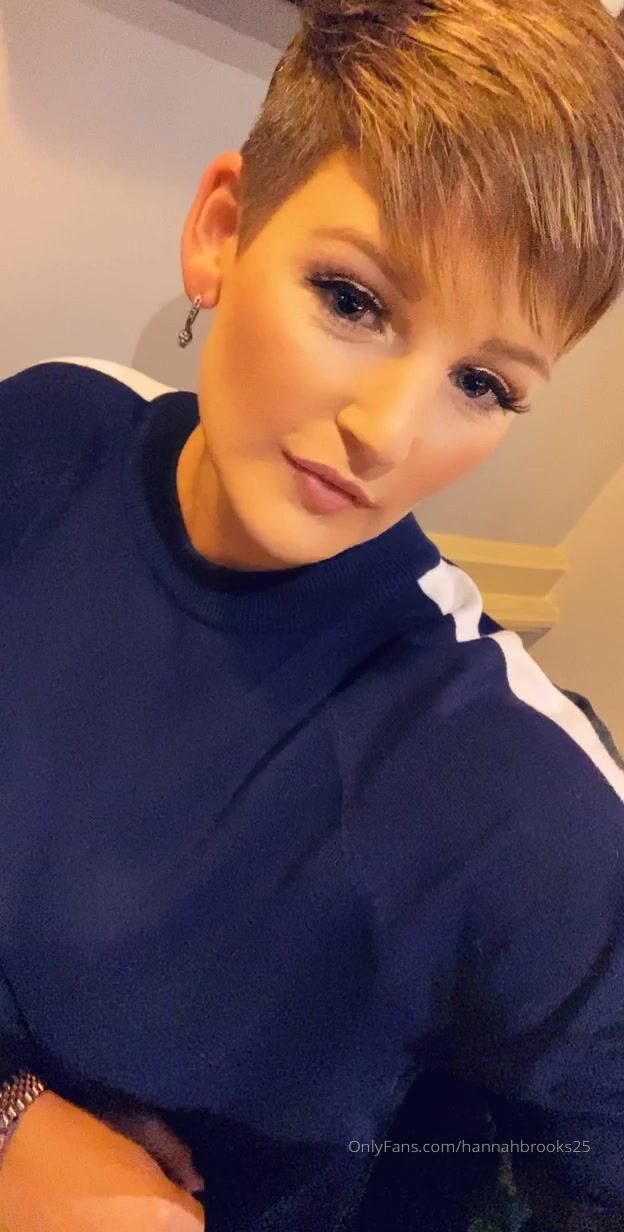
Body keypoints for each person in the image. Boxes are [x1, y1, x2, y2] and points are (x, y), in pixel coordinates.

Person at [1, 0, 624, 1229]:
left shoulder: (498, 782)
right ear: (221, 231)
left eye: (482, 381)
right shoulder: (49, 427)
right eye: (354, 298)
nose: (388, 432)